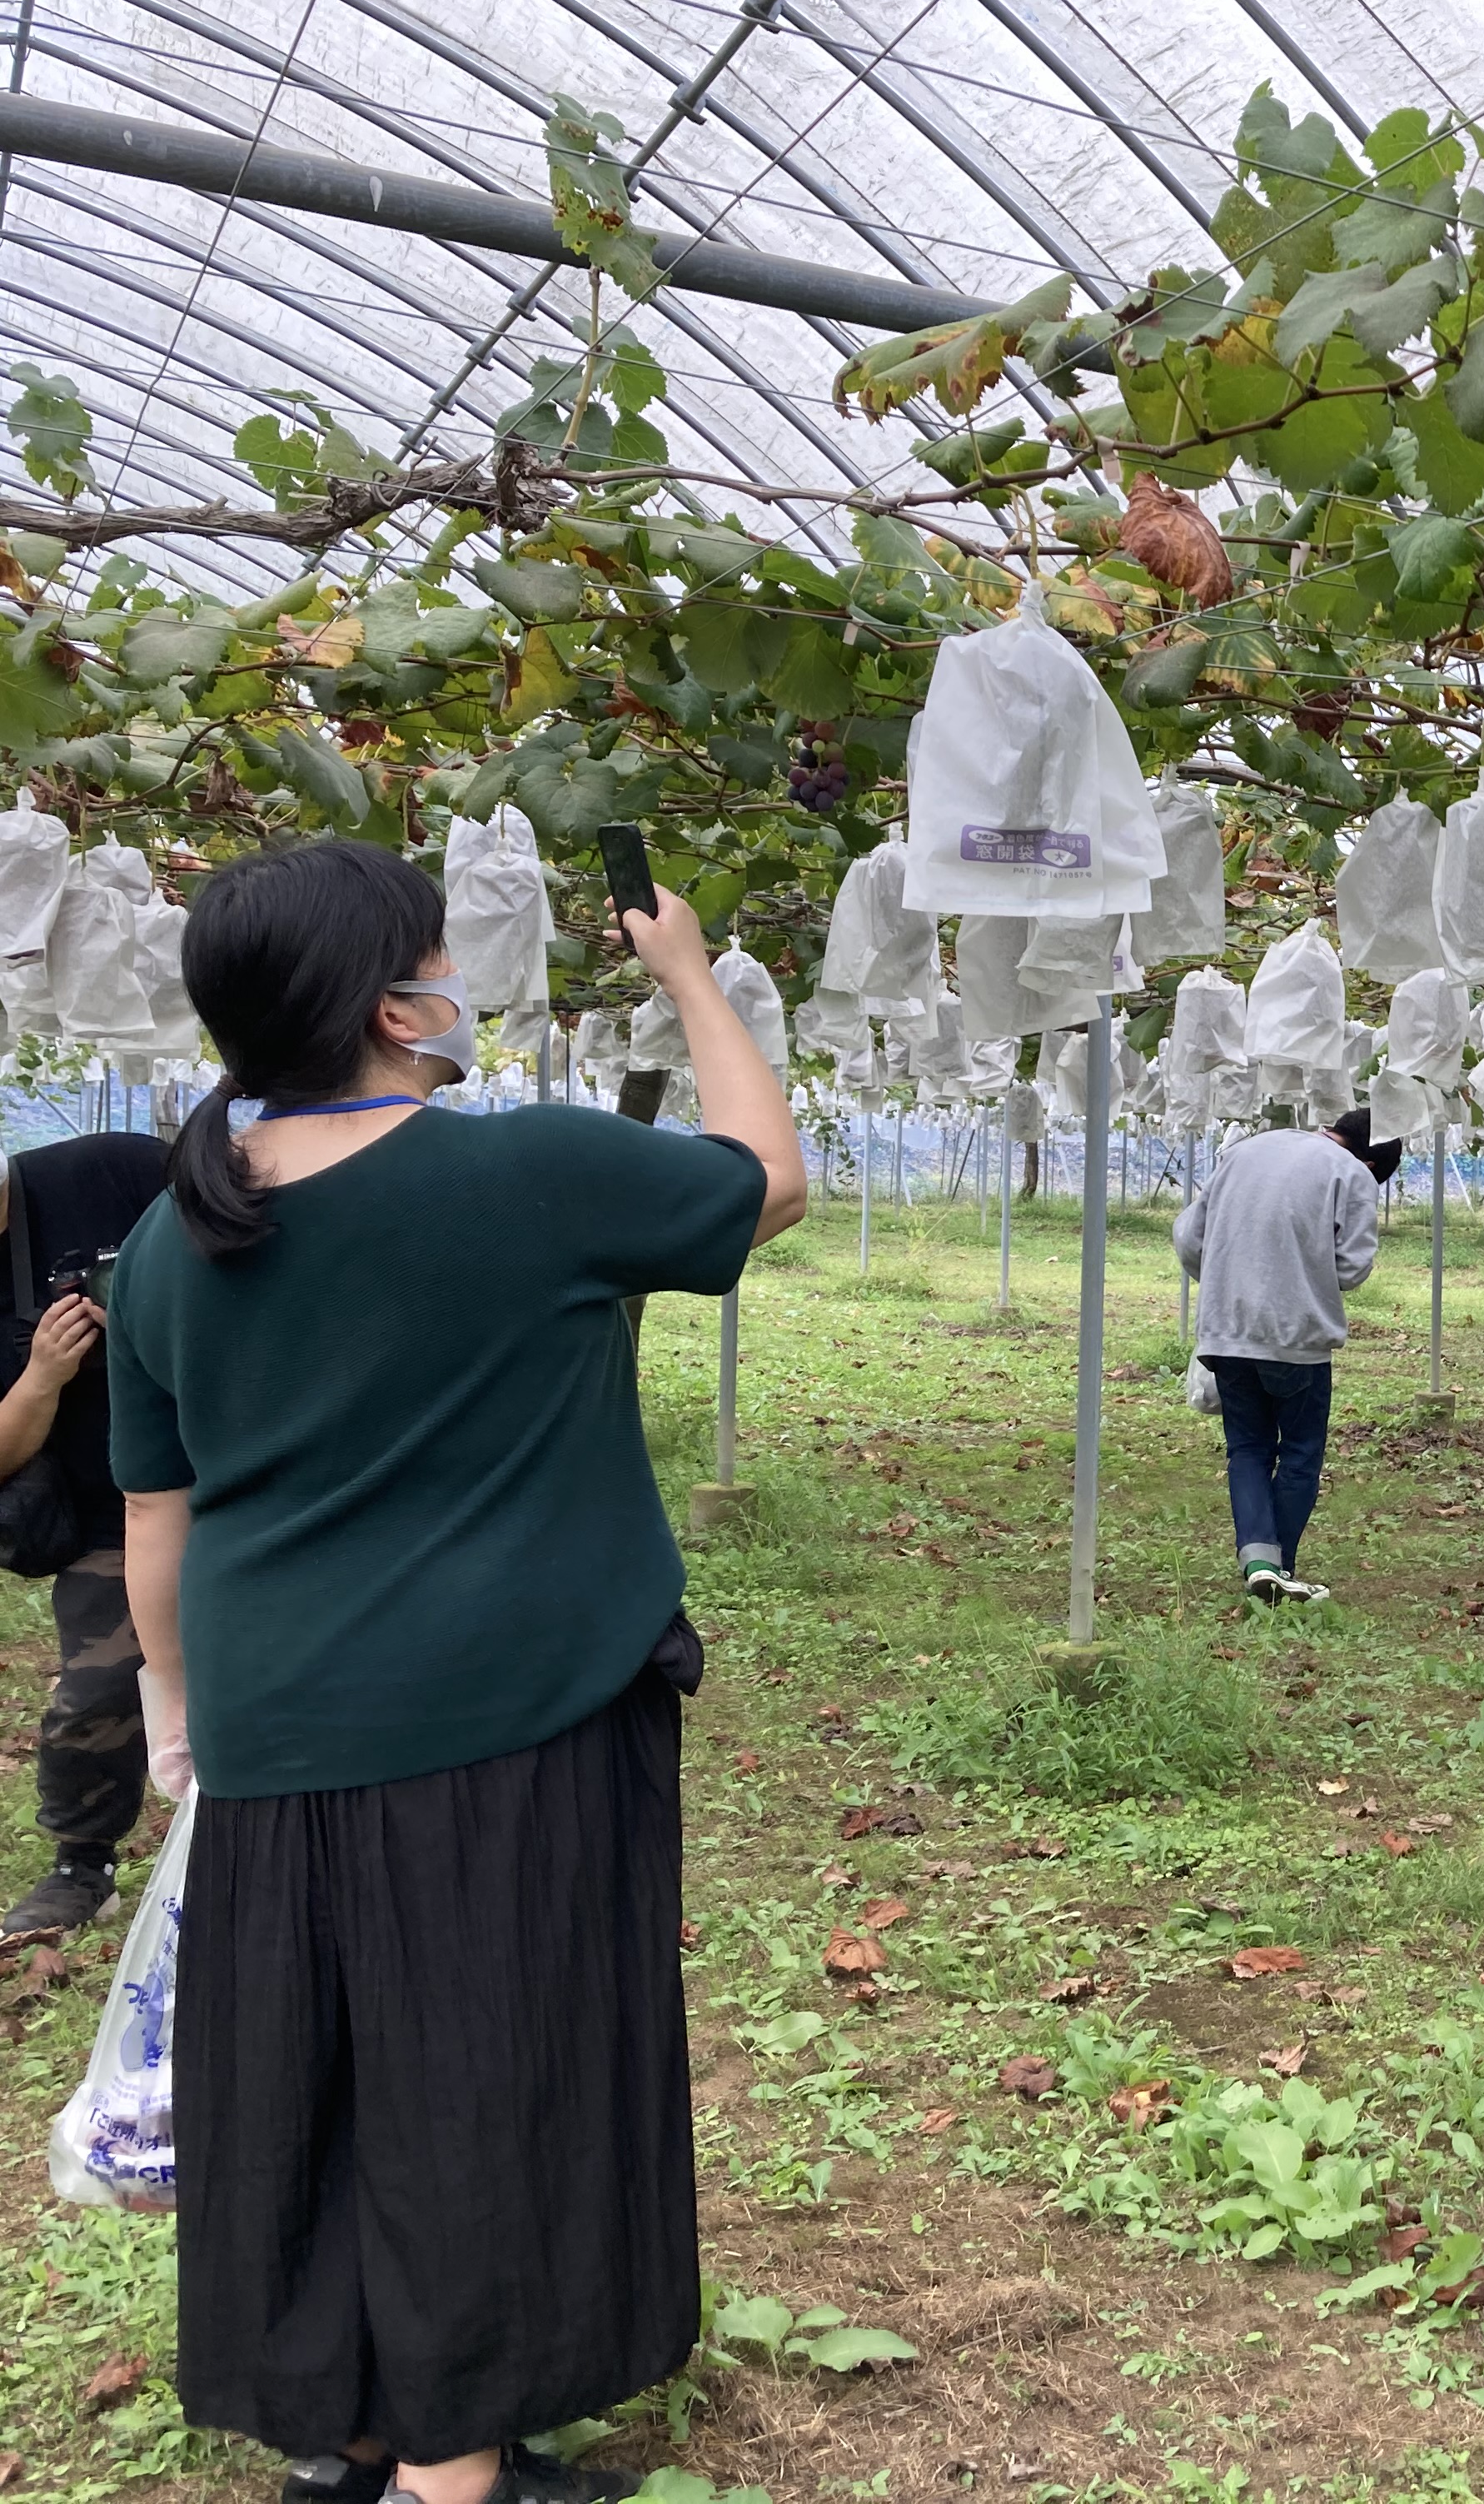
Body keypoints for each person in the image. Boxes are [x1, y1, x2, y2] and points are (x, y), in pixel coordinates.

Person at [111, 840, 807, 2504]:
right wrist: (692, 975)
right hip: (511, 1719)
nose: (458, 983)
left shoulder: (168, 1238)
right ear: (385, 1001)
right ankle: (453, 2472)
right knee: (490, 2075)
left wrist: (176, 1729)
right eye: (437, 955)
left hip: (277, 1731)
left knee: (319, 2082)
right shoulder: (524, 1178)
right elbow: (764, 1179)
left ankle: (343, 2434)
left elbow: (158, 1530)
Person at [0, 1134, 172, 1944]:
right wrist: (42, 1375)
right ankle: (81, 1866)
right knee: (94, 1694)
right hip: (107, 1515)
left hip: (238, 1473)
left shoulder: (113, 1172)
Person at [1173, 1105, 1404, 1603]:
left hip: (1227, 1331)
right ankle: (1280, 1565)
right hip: (1297, 1337)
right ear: (1372, 1165)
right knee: (1299, 1452)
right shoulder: (1351, 1175)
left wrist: (1226, 1281)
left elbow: (1189, 1238)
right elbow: (1352, 1268)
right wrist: (1304, 1271)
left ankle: (1261, 1563)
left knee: (1247, 1448)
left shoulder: (1245, 1151)